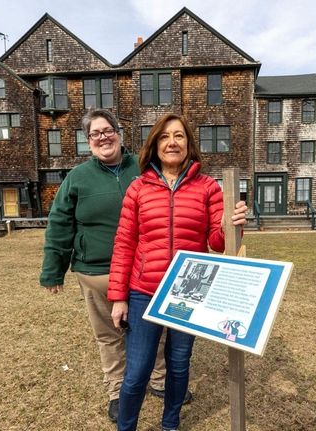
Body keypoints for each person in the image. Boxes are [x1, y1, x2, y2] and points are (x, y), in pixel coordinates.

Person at [108, 113, 248, 431]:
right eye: (164, 136)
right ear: (155, 145)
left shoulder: (208, 188)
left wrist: (233, 222)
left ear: (189, 144)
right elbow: (124, 244)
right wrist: (118, 296)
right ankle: (126, 426)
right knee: (138, 371)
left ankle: (170, 423)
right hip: (144, 291)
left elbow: (217, 242)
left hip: (189, 291)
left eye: (179, 136)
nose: (172, 142)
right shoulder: (138, 188)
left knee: (179, 363)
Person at [39, 109, 175, 423]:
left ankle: (158, 379)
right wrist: (52, 269)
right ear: (89, 142)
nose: (103, 137)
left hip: (142, 270)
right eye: (95, 133)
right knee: (109, 335)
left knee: (155, 328)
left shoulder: (144, 170)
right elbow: (60, 223)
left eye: (108, 130)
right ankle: (116, 390)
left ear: (119, 133)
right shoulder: (77, 177)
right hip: (96, 272)